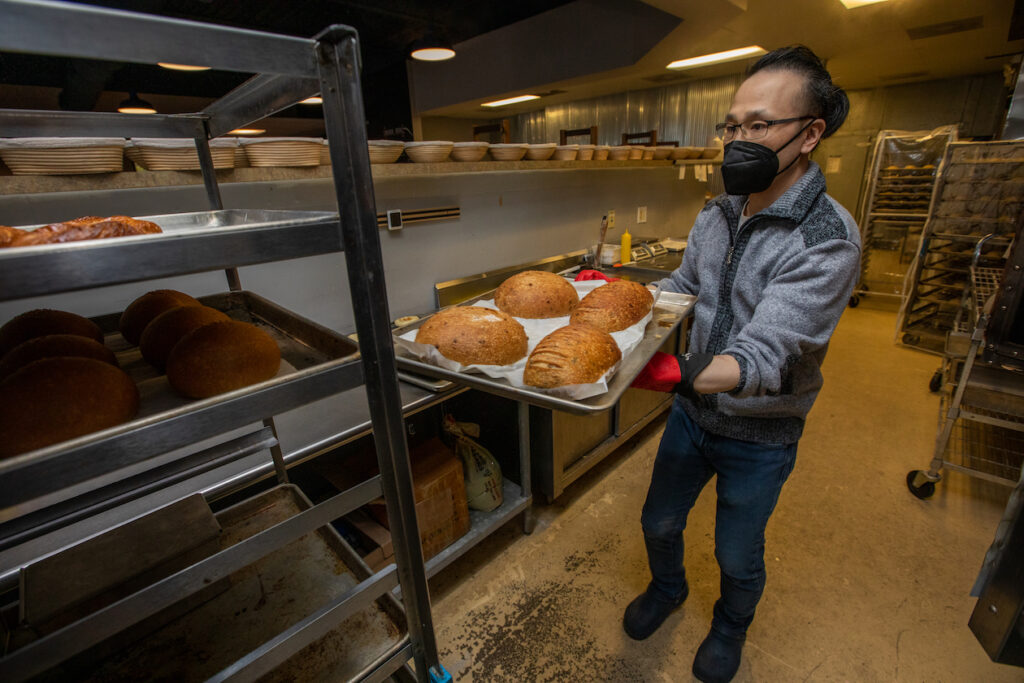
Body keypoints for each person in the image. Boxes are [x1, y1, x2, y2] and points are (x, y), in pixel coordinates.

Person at [625, 45, 861, 683]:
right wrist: (621, 301)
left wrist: (667, 371)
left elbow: (764, 354)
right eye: (733, 126)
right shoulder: (719, 210)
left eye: (760, 126)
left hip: (761, 431)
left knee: (736, 551)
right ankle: (668, 590)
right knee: (659, 521)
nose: (739, 141)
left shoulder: (827, 239)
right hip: (693, 416)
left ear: (810, 134)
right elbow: (683, 284)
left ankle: (730, 626)